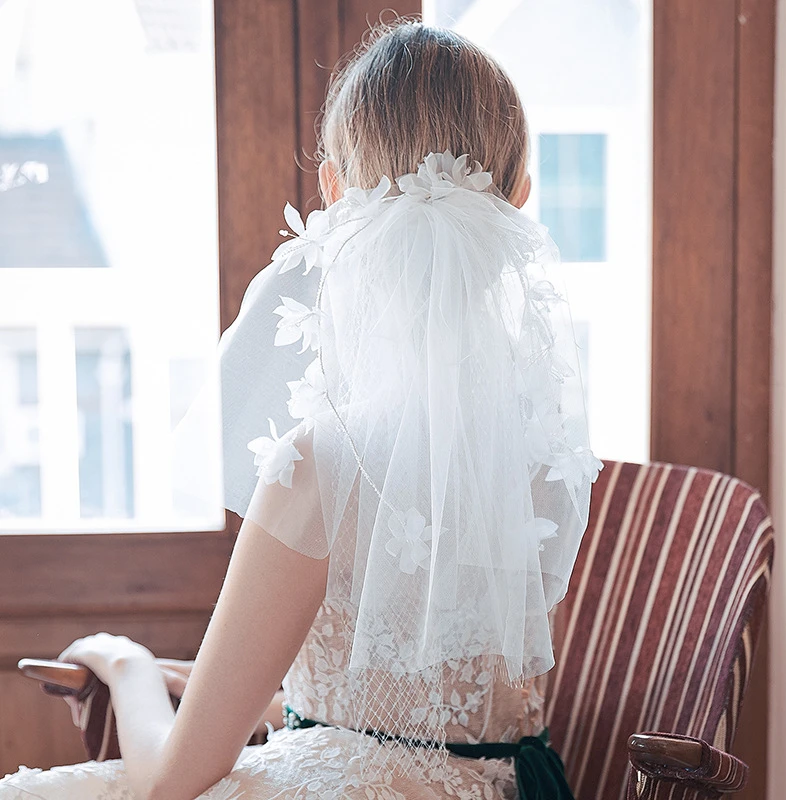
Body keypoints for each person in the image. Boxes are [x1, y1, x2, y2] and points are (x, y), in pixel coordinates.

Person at [0, 21, 601, 800]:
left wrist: (125, 661)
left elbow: (172, 781)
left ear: (332, 191)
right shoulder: (543, 454)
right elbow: (410, 697)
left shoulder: (325, 459)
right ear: (519, 200)